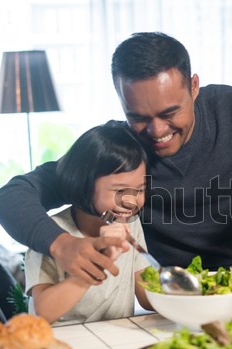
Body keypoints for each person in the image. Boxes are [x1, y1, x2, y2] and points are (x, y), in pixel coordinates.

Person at [0, 32, 232, 284]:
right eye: (138, 116)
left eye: (170, 112)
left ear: (194, 87)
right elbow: (9, 197)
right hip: (173, 289)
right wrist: (61, 245)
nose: (156, 130)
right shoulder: (115, 150)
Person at [24, 121, 153, 325]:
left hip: (115, 339)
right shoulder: (50, 234)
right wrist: (97, 265)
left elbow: (146, 295)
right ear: (84, 185)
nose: (131, 200)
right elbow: (44, 312)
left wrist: (186, 293)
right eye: (119, 190)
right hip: (64, 346)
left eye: (140, 189)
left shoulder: (131, 223)